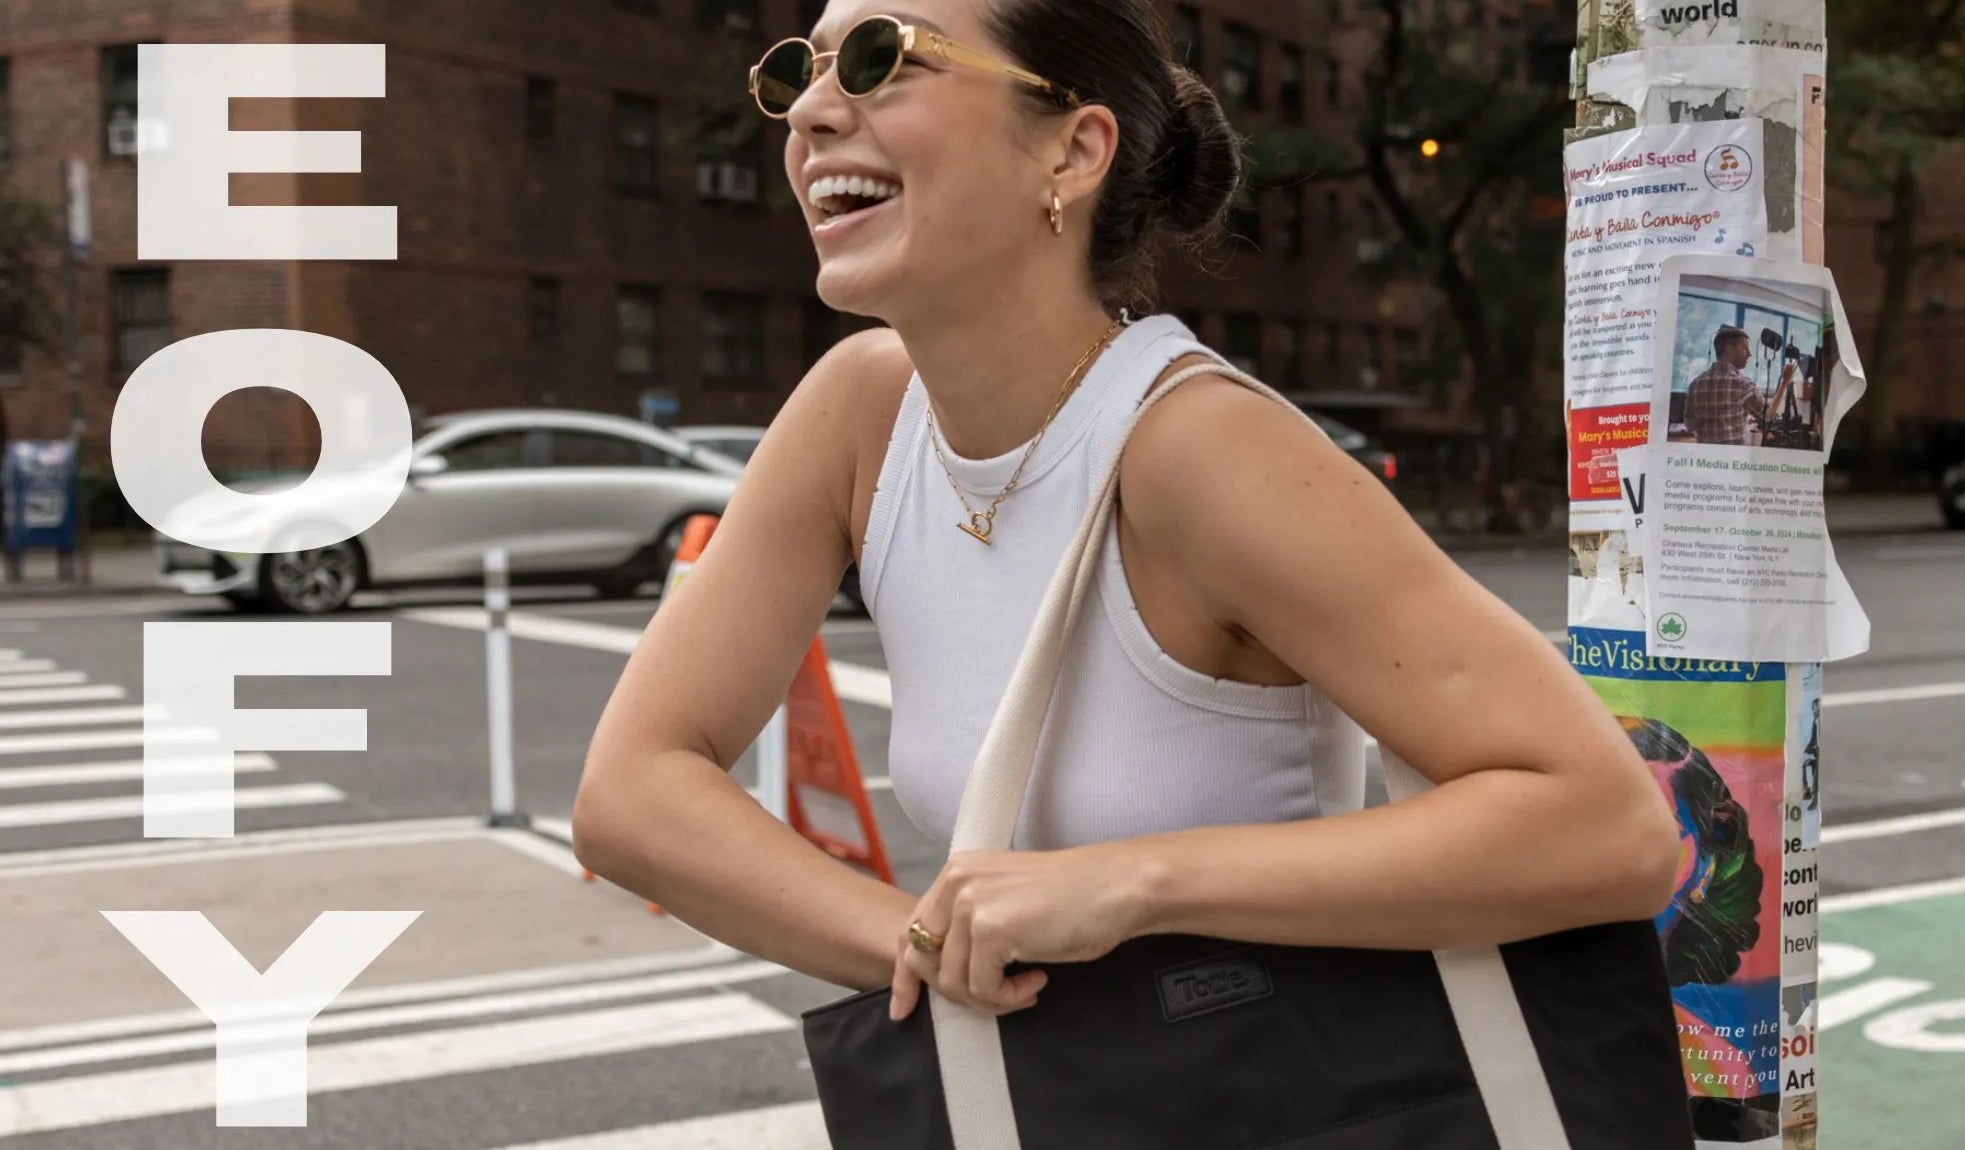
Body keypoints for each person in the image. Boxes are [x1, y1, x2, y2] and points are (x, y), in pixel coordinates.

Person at [573, 0, 1678, 1041]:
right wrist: (926, 944)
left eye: (881, 59)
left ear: (1071, 150)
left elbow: (1607, 826)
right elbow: (631, 792)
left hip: (1268, 1097)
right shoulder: (858, 412)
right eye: (796, 70)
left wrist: (1133, 883)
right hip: (1063, 1096)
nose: (811, 111)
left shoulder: (1196, 450)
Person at [1686, 325, 1792, 446]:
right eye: (1745, 348)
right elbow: (1768, 415)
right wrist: (1784, 382)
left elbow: (1690, 425)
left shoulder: (1695, 384)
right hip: (1735, 460)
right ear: (1729, 350)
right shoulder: (1741, 383)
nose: (1749, 354)